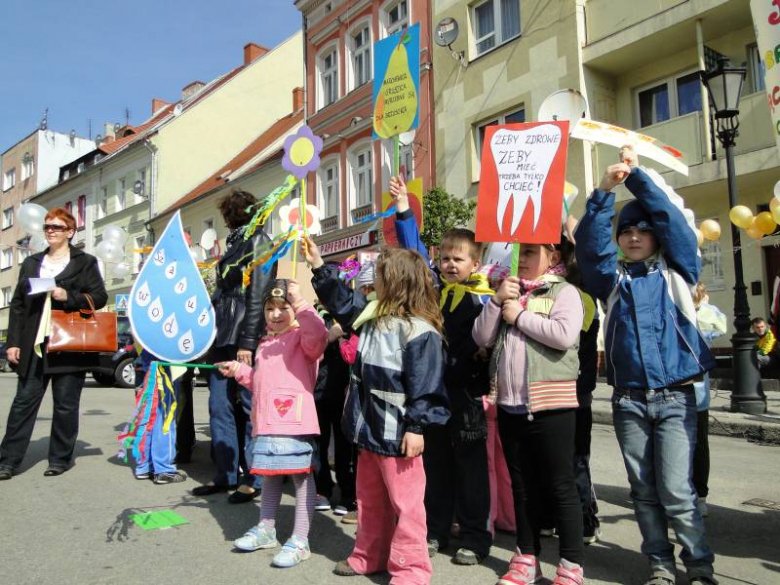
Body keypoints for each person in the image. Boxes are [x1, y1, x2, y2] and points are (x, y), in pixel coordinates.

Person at [574, 147, 718, 585]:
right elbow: (589, 246)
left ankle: (698, 565)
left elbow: (673, 221)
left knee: (677, 491)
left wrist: (636, 178)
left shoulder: (679, 272)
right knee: (644, 492)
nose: (634, 236)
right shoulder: (611, 282)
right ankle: (659, 563)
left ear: (656, 237)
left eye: (643, 230)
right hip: (630, 401)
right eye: (626, 230)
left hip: (676, 398)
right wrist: (603, 192)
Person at [304, 236, 449, 585]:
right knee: (368, 498)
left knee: (407, 505)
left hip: (398, 433)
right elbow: (341, 300)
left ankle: (411, 569)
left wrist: (416, 427)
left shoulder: (420, 330)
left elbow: (426, 385)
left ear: (397, 282)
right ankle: (370, 555)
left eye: (380, 275)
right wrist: (319, 266)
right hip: (368, 429)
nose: (374, 280)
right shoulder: (371, 315)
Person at [390, 175, 493, 565]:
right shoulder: (432, 288)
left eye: (458, 258)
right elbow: (413, 250)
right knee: (435, 466)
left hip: (466, 394)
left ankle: (474, 536)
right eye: (445, 257)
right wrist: (403, 209)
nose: (449, 264)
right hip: (434, 395)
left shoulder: (485, 297)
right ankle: (435, 529)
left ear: (475, 263)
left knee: (470, 468)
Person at [473, 241, 586, 585]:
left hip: (553, 404)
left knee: (560, 486)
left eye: (531, 253)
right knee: (522, 487)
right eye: (519, 254)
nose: (522, 261)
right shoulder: (507, 292)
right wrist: (496, 301)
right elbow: (481, 337)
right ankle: (526, 556)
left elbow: (564, 335)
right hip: (511, 405)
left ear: (552, 258)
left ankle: (571, 566)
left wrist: (520, 316)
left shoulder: (564, 292)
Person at [221, 279, 328, 568]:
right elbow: (261, 383)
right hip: (267, 423)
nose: (276, 314)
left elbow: (319, 335)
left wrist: (301, 301)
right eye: (270, 308)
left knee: (301, 479)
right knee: (269, 475)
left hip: (294, 423)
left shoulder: (303, 338)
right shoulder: (265, 343)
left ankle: (300, 540)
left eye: (284, 307)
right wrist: (240, 371)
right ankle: (266, 529)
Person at [0, 207, 107, 479]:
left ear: (70, 232)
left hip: (69, 344)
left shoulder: (85, 261)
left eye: (56, 227)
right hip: (34, 344)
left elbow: (99, 297)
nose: (50, 230)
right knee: (23, 402)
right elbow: (18, 305)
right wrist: (13, 342)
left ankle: (59, 458)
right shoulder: (32, 262)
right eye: (47, 226)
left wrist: (66, 295)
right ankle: (8, 461)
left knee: (65, 405)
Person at [191, 189, 276, 504]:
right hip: (222, 335)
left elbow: (259, 295)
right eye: (229, 214)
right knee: (219, 406)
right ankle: (225, 474)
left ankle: (253, 477)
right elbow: (223, 295)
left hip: (243, 336)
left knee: (249, 408)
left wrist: (248, 341)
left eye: (232, 213)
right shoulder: (233, 244)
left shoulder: (260, 241)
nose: (229, 220)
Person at [313, 303, 358, 523]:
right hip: (318, 388)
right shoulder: (313, 314)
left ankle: (347, 493)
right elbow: (306, 350)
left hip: (345, 390)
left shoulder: (354, 312)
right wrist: (328, 338)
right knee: (318, 442)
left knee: (345, 444)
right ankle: (322, 488)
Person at [692, 283, 726, 517]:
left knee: (698, 447)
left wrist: (701, 307)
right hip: (676, 391)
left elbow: (719, 325)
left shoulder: (705, 314)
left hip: (697, 393)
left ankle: (700, 495)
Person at [131, 350, 187, 484]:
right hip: (164, 367)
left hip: (144, 365)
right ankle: (164, 470)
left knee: (147, 419)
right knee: (165, 419)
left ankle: (144, 467)